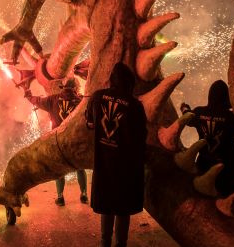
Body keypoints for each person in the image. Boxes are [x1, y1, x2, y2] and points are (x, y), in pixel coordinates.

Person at [85, 63, 146, 247]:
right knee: (122, 209)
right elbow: (141, 137)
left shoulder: (96, 97)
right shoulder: (135, 105)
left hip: (103, 164)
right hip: (126, 168)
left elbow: (89, 123)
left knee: (107, 206)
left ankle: (105, 242)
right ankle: (121, 244)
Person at [181, 80, 234, 217]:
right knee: (232, 205)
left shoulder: (200, 112)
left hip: (205, 163)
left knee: (206, 203)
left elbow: (187, 118)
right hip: (229, 166)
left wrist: (184, 108)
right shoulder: (231, 116)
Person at [25, 78, 88, 206]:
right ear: (75, 88)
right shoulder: (81, 101)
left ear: (63, 87)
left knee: (60, 171)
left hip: (58, 142)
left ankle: (60, 197)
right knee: (80, 169)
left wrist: (29, 96)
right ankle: (84, 195)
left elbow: (37, 101)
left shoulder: (52, 99)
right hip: (74, 141)